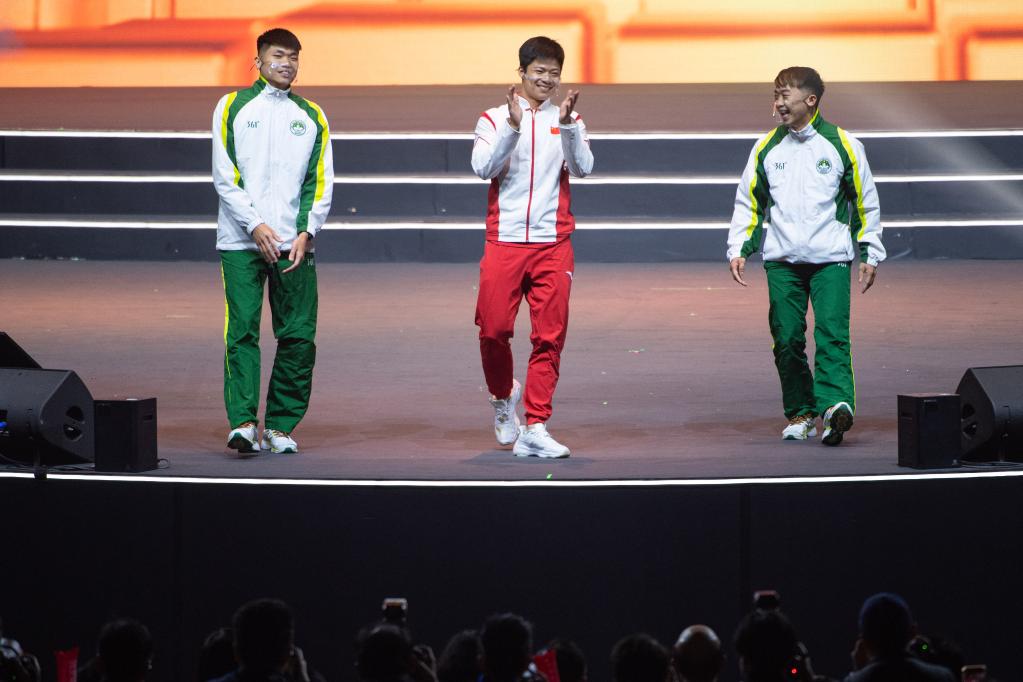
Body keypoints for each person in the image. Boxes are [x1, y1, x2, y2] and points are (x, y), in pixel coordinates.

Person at [726, 66, 884, 445]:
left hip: (831, 259)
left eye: (785, 95)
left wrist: (870, 251)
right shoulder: (766, 148)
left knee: (832, 335)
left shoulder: (843, 144)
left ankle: (834, 408)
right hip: (782, 262)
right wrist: (740, 247)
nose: (778, 103)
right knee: (786, 339)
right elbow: (749, 201)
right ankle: (801, 412)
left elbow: (865, 201)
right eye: (775, 95)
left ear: (810, 100)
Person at [212, 27, 333, 456]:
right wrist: (255, 225)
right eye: (279, 55)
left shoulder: (311, 115)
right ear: (259, 60)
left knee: (298, 336)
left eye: (293, 57)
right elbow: (225, 175)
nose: (287, 64)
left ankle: (280, 425)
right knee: (242, 333)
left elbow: (319, 180)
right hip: (240, 242)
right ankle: (244, 423)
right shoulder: (232, 106)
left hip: (293, 247)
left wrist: (306, 231)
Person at [471, 36, 594, 459]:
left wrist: (570, 127)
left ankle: (536, 425)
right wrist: (512, 126)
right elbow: (483, 168)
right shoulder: (492, 118)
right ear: (521, 72)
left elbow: (583, 168)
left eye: (554, 73)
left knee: (549, 338)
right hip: (504, 241)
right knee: (492, 331)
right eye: (539, 71)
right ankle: (503, 396)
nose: (546, 79)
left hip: (552, 243)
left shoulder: (569, 119)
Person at [843, 594, 955, 682]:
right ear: (913, 632)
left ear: (864, 641)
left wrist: (859, 672)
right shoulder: (943, 677)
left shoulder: (854, 680)